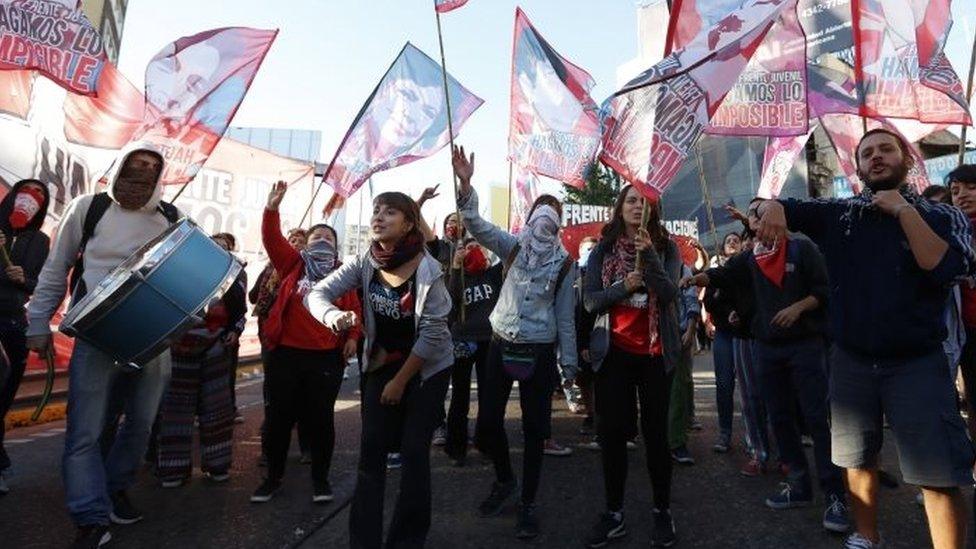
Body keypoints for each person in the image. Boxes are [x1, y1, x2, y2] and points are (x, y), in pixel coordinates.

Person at [753, 129, 976, 549]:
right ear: (857, 168)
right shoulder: (842, 214)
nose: (876, 157)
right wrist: (771, 206)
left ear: (906, 160)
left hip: (918, 363)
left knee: (937, 476)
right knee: (857, 459)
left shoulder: (942, 216)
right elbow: (785, 206)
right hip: (852, 362)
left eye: (885, 149)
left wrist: (902, 212)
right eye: (867, 153)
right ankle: (866, 536)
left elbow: (943, 269)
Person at [26, 143, 180, 548]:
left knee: (142, 423)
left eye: (152, 166)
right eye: (137, 163)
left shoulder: (172, 218)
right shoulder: (89, 207)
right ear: (122, 164)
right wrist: (37, 322)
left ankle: (114, 488)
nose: (143, 171)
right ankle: (90, 515)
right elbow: (56, 267)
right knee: (86, 430)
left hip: (152, 335)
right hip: (97, 333)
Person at [684, 202, 850, 534]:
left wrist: (799, 307)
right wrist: (691, 280)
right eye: (753, 218)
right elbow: (723, 275)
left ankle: (836, 496)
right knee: (779, 417)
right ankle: (800, 486)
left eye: (760, 216)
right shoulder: (750, 257)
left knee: (817, 419)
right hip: (767, 349)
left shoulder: (804, 250)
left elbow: (823, 291)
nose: (755, 223)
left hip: (806, 347)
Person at [307, 190, 452, 548]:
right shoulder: (364, 262)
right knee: (371, 452)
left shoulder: (429, 269)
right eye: (376, 210)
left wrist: (401, 382)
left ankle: (407, 539)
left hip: (427, 368)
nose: (379, 217)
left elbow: (433, 335)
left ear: (408, 224)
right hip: (380, 364)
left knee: (414, 451)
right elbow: (315, 294)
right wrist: (333, 315)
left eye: (390, 212)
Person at [452, 145, 577, 540]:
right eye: (539, 218)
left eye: (551, 221)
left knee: (536, 428)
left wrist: (568, 365)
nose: (543, 228)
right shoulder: (513, 246)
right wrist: (466, 183)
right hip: (500, 342)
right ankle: (504, 479)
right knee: (488, 424)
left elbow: (564, 317)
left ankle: (528, 503)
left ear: (558, 227)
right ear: (528, 221)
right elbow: (475, 223)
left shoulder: (565, 264)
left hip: (539, 350)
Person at [582, 185, 681, 548]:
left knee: (656, 436)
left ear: (654, 210)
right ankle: (614, 512)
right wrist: (624, 286)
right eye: (632, 200)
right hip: (614, 354)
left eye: (645, 202)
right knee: (612, 435)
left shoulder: (667, 248)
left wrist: (650, 258)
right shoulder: (601, 251)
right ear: (620, 208)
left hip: (655, 354)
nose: (638, 206)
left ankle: (662, 510)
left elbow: (670, 294)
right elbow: (591, 303)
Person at [250, 181, 361, 505]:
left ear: (337, 247)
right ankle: (272, 478)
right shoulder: (292, 265)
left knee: (320, 419)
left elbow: (353, 310)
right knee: (278, 420)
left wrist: (353, 337)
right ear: (305, 245)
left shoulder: (344, 275)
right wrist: (272, 207)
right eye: (317, 237)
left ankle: (320, 479)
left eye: (329, 237)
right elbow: (272, 239)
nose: (323, 241)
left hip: (325, 358)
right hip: (284, 355)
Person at [154, 233, 246, 488]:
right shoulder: (174, 276)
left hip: (214, 350)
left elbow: (240, 314)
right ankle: (172, 470)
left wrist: (233, 332)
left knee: (217, 410)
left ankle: (218, 466)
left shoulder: (232, 279)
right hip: (177, 351)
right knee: (175, 411)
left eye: (223, 249)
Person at [0, 179, 51, 494]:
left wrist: (25, 279)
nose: (33, 197)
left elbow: (42, 284)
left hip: (12, 322)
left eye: (41, 194)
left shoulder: (41, 241)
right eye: (28, 190)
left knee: (4, 394)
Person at [250, 228, 309, 466]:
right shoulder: (270, 268)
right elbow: (254, 297)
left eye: (300, 241)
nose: (295, 243)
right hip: (272, 339)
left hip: (301, 341)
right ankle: (270, 453)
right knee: (274, 399)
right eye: (291, 239)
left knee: (306, 397)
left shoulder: (310, 270)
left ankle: (308, 448)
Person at [443, 237, 502, 465]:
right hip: (462, 340)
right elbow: (452, 300)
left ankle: (485, 442)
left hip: (490, 340)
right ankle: (456, 447)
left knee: (489, 394)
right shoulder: (457, 276)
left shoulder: (492, 275)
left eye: (477, 246)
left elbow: (508, 254)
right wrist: (456, 266)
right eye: (467, 248)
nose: (473, 250)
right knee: (460, 395)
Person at [706, 232, 741, 453]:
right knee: (724, 385)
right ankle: (725, 433)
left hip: (746, 335)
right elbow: (709, 302)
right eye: (729, 241)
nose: (732, 243)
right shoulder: (715, 273)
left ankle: (757, 436)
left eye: (736, 241)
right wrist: (724, 307)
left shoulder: (749, 268)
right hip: (724, 336)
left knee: (752, 389)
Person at [211, 232, 247, 424]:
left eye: (224, 246)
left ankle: (228, 410)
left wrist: (235, 331)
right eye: (214, 245)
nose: (218, 249)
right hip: (191, 340)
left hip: (223, 336)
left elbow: (241, 309)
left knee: (225, 378)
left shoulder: (236, 273)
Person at [668, 256, 700, 466]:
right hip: (649, 337)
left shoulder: (681, 268)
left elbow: (691, 299)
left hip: (677, 335)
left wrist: (689, 329)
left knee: (678, 389)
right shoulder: (639, 262)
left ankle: (677, 441)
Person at [576, 237, 599, 439]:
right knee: (584, 379)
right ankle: (591, 414)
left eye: (595, 249)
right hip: (579, 333)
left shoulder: (602, 273)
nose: (592, 253)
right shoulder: (573, 275)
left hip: (600, 331)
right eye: (588, 249)